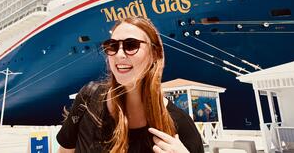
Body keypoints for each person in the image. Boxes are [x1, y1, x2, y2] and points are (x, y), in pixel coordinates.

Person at [57, 17, 204, 153]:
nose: (120, 54)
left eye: (131, 45)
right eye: (112, 46)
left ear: (155, 53)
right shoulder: (88, 98)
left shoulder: (180, 124)